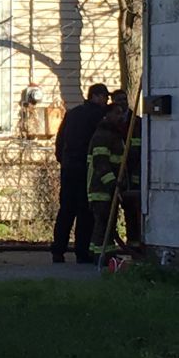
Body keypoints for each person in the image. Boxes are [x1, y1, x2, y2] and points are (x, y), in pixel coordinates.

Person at [51, 83, 109, 263]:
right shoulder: (99, 116)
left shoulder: (73, 114)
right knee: (85, 211)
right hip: (86, 168)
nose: (106, 101)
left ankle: (58, 250)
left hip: (69, 167)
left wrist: (63, 160)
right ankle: (82, 252)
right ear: (96, 96)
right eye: (105, 97)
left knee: (66, 210)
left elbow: (60, 140)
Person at [87, 104, 128, 260]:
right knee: (104, 223)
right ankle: (102, 256)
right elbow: (101, 163)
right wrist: (113, 184)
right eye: (117, 113)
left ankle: (100, 253)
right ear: (107, 115)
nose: (120, 117)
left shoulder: (114, 134)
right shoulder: (103, 136)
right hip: (101, 188)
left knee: (106, 225)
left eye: (122, 113)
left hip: (108, 188)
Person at [111, 89, 142, 248]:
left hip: (132, 173)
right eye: (118, 100)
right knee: (109, 212)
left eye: (124, 99)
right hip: (114, 173)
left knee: (132, 211)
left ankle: (134, 244)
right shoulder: (109, 123)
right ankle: (109, 244)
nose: (122, 103)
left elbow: (140, 149)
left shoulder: (137, 123)